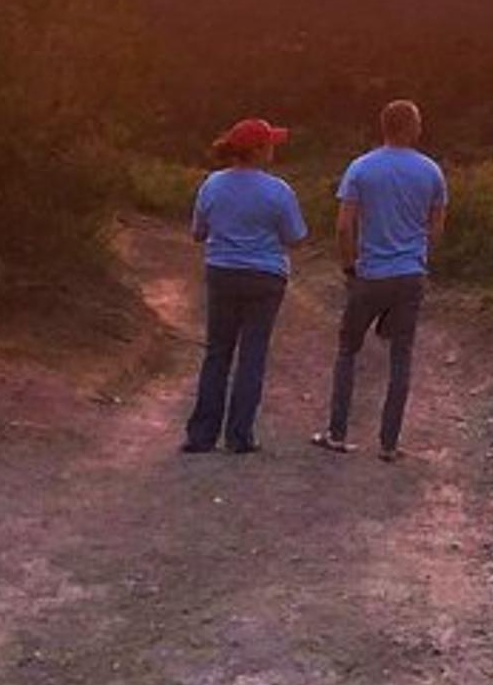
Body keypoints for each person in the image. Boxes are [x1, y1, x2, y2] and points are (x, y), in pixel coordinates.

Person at [313, 99, 447, 462]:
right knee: (401, 357)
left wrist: (349, 267)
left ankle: (337, 433)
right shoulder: (431, 171)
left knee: (347, 350)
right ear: (412, 127)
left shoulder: (361, 168)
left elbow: (344, 226)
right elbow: (435, 228)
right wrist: (420, 257)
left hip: (371, 273)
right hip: (410, 274)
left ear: (385, 127)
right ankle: (389, 443)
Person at [183, 117, 307, 455]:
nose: (274, 151)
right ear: (259, 150)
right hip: (265, 277)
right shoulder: (279, 191)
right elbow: (295, 238)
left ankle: (201, 434)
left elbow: (198, 233)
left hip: (222, 272)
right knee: (252, 354)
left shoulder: (212, 185)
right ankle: (240, 435)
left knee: (217, 352)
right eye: (270, 145)